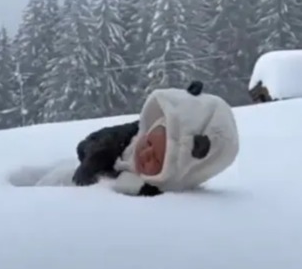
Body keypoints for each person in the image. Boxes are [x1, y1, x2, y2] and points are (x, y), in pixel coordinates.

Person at [71, 80, 239, 196]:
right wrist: (98, 156)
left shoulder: (156, 193)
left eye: (156, 159)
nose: (145, 153)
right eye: (149, 142)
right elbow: (87, 144)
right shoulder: (134, 135)